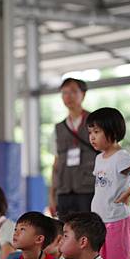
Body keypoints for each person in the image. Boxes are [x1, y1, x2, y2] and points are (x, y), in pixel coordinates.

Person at [87, 107, 130, 259]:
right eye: (90, 132)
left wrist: (128, 192)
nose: (92, 137)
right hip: (100, 220)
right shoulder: (99, 158)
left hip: (117, 220)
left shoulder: (121, 157)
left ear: (112, 131)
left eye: (96, 132)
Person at [49, 78, 97, 219]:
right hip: (64, 190)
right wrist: (52, 194)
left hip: (89, 188)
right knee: (66, 231)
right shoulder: (58, 128)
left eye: (73, 91)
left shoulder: (96, 122)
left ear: (83, 94)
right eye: (64, 92)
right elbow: (56, 162)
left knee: (89, 229)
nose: (68, 96)